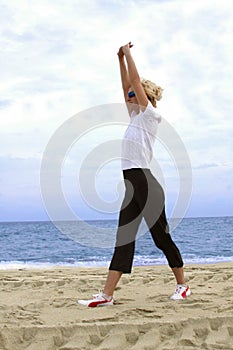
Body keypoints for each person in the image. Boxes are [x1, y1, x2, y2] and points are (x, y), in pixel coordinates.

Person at [78, 42, 190, 307]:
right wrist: (119, 60)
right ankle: (107, 295)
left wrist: (129, 53)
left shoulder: (150, 116)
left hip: (145, 184)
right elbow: (126, 84)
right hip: (131, 183)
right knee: (123, 239)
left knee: (161, 238)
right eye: (129, 94)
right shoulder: (134, 117)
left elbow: (135, 81)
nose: (128, 96)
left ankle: (183, 286)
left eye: (133, 93)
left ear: (145, 96)